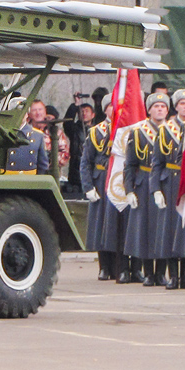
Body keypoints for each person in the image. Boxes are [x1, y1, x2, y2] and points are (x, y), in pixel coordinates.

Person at [124, 91, 171, 286]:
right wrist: (129, 190)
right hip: (143, 182)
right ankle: (148, 273)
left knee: (163, 228)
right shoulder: (138, 132)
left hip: (165, 182)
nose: (160, 109)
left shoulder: (173, 131)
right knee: (145, 230)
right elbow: (129, 164)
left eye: (163, 106)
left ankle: (161, 272)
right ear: (149, 110)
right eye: (156, 106)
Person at [80, 95, 121, 280]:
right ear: (105, 109)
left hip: (119, 179)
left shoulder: (127, 130)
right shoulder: (96, 131)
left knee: (118, 224)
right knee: (101, 225)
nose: (115, 109)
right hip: (101, 179)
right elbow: (86, 162)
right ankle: (104, 266)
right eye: (112, 106)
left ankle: (120, 266)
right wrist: (88, 187)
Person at [155, 90, 185, 289]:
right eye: (182, 103)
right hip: (170, 181)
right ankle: (173, 276)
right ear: (175, 107)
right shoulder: (165, 129)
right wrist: (156, 189)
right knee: (171, 229)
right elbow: (157, 163)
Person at [6, 100, 49, 175]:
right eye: (16, 112)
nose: (19, 115)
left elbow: (43, 165)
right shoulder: (2, 133)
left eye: (22, 112)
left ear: (27, 114)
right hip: (5, 180)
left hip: (29, 180)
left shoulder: (37, 135)